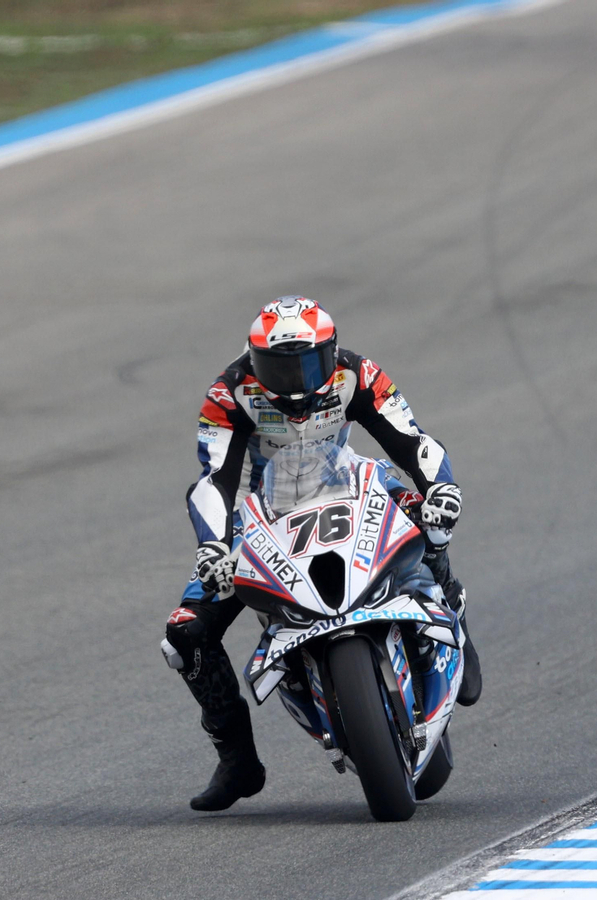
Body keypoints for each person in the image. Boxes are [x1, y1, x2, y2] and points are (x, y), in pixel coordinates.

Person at [161, 296, 482, 812]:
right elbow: (214, 480)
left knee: (429, 515)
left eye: (308, 363)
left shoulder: (358, 374)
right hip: (258, 514)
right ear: (252, 359)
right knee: (184, 634)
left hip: (347, 485)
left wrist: (440, 486)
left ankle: (456, 620)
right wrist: (214, 548)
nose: (295, 381)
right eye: (279, 367)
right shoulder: (229, 393)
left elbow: (409, 440)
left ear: (331, 353)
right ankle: (237, 760)